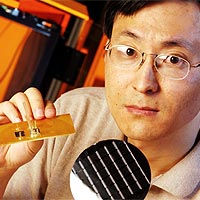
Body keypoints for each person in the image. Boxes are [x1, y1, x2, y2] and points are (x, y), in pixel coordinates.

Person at [0, 0, 200, 199]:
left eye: (174, 59)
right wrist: (3, 169)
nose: (143, 84)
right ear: (107, 52)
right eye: (128, 51)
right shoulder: (75, 112)